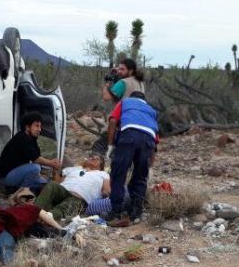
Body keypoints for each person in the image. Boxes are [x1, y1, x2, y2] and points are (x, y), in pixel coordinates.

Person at [105, 91, 159, 226]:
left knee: (119, 172)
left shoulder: (125, 102)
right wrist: (150, 161)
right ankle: (136, 212)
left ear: (132, 98)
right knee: (140, 176)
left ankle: (117, 212)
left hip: (129, 134)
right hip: (148, 139)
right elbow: (155, 137)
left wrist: (110, 145)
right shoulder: (151, 110)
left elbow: (113, 120)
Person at [0, 112, 61, 194]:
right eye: (36, 126)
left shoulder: (32, 139)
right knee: (35, 168)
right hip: (6, 178)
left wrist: (52, 164)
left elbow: (38, 157)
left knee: (44, 182)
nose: (39, 129)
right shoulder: (22, 138)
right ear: (27, 127)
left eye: (40, 126)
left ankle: (19, 189)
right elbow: (36, 159)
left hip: (17, 174)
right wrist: (52, 163)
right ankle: (21, 194)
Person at [35, 154, 111, 222]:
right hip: (63, 191)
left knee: (59, 210)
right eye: (90, 157)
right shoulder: (74, 169)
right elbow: (58, 182)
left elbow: (106, 191)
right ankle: (33, 211)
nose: (92, 158)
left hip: (79, 198)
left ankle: (40, 219)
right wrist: (55, 172)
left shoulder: (103, 174)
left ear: (101, 165)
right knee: (52, 185)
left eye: (96, 159)